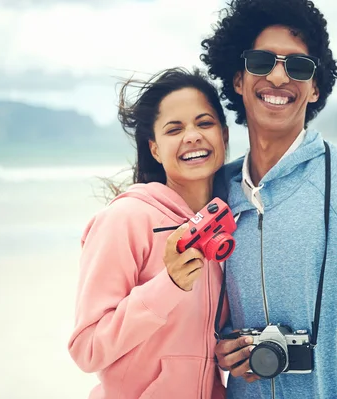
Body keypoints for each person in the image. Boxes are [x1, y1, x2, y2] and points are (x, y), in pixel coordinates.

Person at [201, 0, 337, 398]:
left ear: (315, 87)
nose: (279, 76)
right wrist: (223, 344)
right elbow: (199, 307)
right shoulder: (216, 190)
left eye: (298, 66)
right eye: (262, 61)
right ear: (237, 79)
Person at [68, 68, 230, 399]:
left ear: (224, 135)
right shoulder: (127, 218)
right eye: (175, 129)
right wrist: (169, 285)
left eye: (204, 123)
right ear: (155, 149)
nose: (192, 136)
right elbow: (87, 348)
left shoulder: (233, 219)